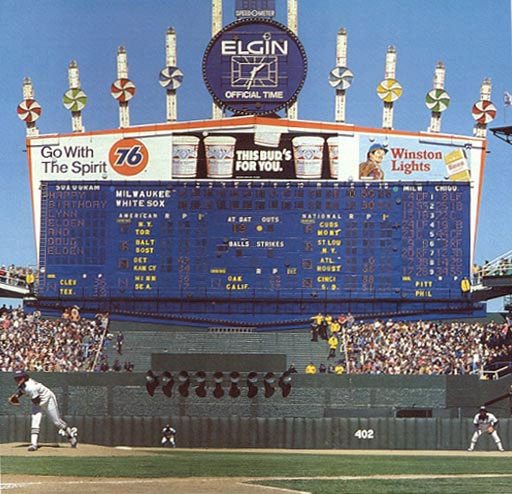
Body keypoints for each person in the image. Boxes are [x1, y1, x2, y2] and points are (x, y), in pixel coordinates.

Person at [11, 370, 78, 451]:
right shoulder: (24, 384)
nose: (17, 379)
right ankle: (33, 444)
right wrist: (17, 396)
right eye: (16, 378)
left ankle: (71, 436)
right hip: (37, 401)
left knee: (57, 422)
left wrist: (17, 397)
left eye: (19, 377)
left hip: (48, 399)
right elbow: (22, 390)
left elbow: (36, 400)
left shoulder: (31, 386)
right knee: (35, 420)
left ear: (24, 377)